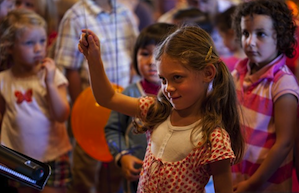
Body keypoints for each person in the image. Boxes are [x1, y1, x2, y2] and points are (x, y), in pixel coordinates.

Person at [78, 25, 245, 192]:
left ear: (208, 73)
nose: (168, 88)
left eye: (177, 78)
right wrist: (93, 59)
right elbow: (108, 98)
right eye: (163, 80)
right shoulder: (157, 111)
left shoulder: (213, 137)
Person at [54, 0, 138, 193]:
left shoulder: (123, 13)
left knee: (116, 167)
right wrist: (81, 107)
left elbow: (133, 53)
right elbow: (70, 68)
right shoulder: (75, 16)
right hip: (90, 111)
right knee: (86, 170)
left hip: (121, 105)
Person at [0, 9, 72, 193]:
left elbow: (62, 115)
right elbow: (3, 116)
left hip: (54, 154)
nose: (38, 48)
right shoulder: (3, 80)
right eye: (29, 43)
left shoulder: (52, 76)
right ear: (9, 47)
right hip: (18, 157)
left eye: (42, 41)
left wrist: (49, 83)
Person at [231, 0, 299, 192]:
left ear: (280, 37)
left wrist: (253, 184)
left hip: (267, 183)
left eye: (260, 34)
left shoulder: (282, 83)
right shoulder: (238, 73)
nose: (250, 42)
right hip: (238, 174)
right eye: (246, 33)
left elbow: (285, 143)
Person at [104, 22, 177, 193]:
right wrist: (122, 156)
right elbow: (113, 129)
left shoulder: (180, 96)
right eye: (145, 53)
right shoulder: (129, 93)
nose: (151, 61)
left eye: (160, 54)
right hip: (137, 180)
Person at [215, 5, 246, 72]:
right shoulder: (256, 61)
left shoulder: (223, 64)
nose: (223, 42)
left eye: (222, 36)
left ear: (232, 33)